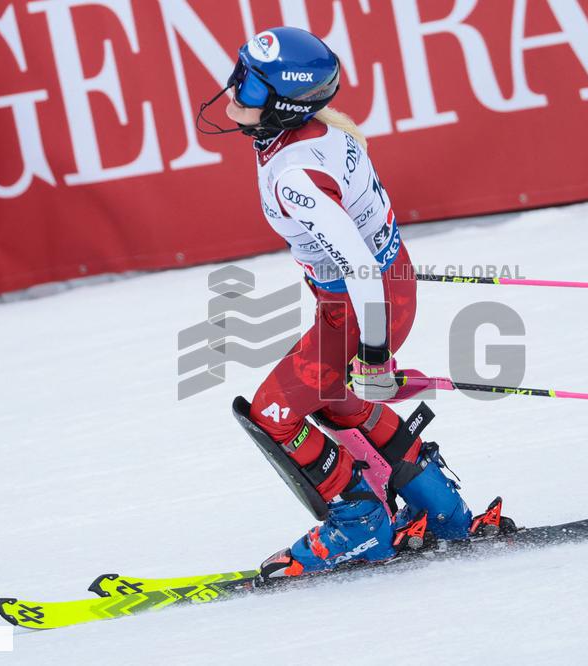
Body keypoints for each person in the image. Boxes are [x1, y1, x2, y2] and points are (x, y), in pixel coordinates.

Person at [198, 27, 505, 579]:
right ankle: (445, 510)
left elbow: (359, 268)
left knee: (275, 411)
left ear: (284, 105)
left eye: (249, 86)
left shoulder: (294, 176)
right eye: (238, 75)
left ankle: (360, 522)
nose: (232, 91)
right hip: (379, 293)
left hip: (363, 306)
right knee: (336, 402)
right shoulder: (315, 135)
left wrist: (375, 358)